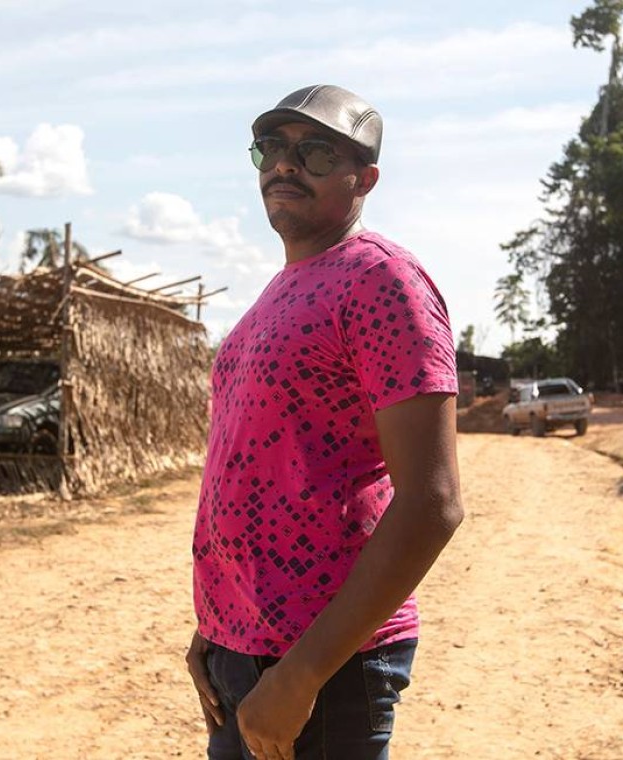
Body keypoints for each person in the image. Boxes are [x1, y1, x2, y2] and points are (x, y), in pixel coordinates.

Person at [186, 84, 464, 760]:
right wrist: (212, 627)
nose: (284, 165)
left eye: (312, 151)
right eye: (271, 149)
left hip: (323, 666)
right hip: (240, 650)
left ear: (362, 178)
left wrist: (302, 675)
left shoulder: (380, 281)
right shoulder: (278, 292)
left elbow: (433, 503)